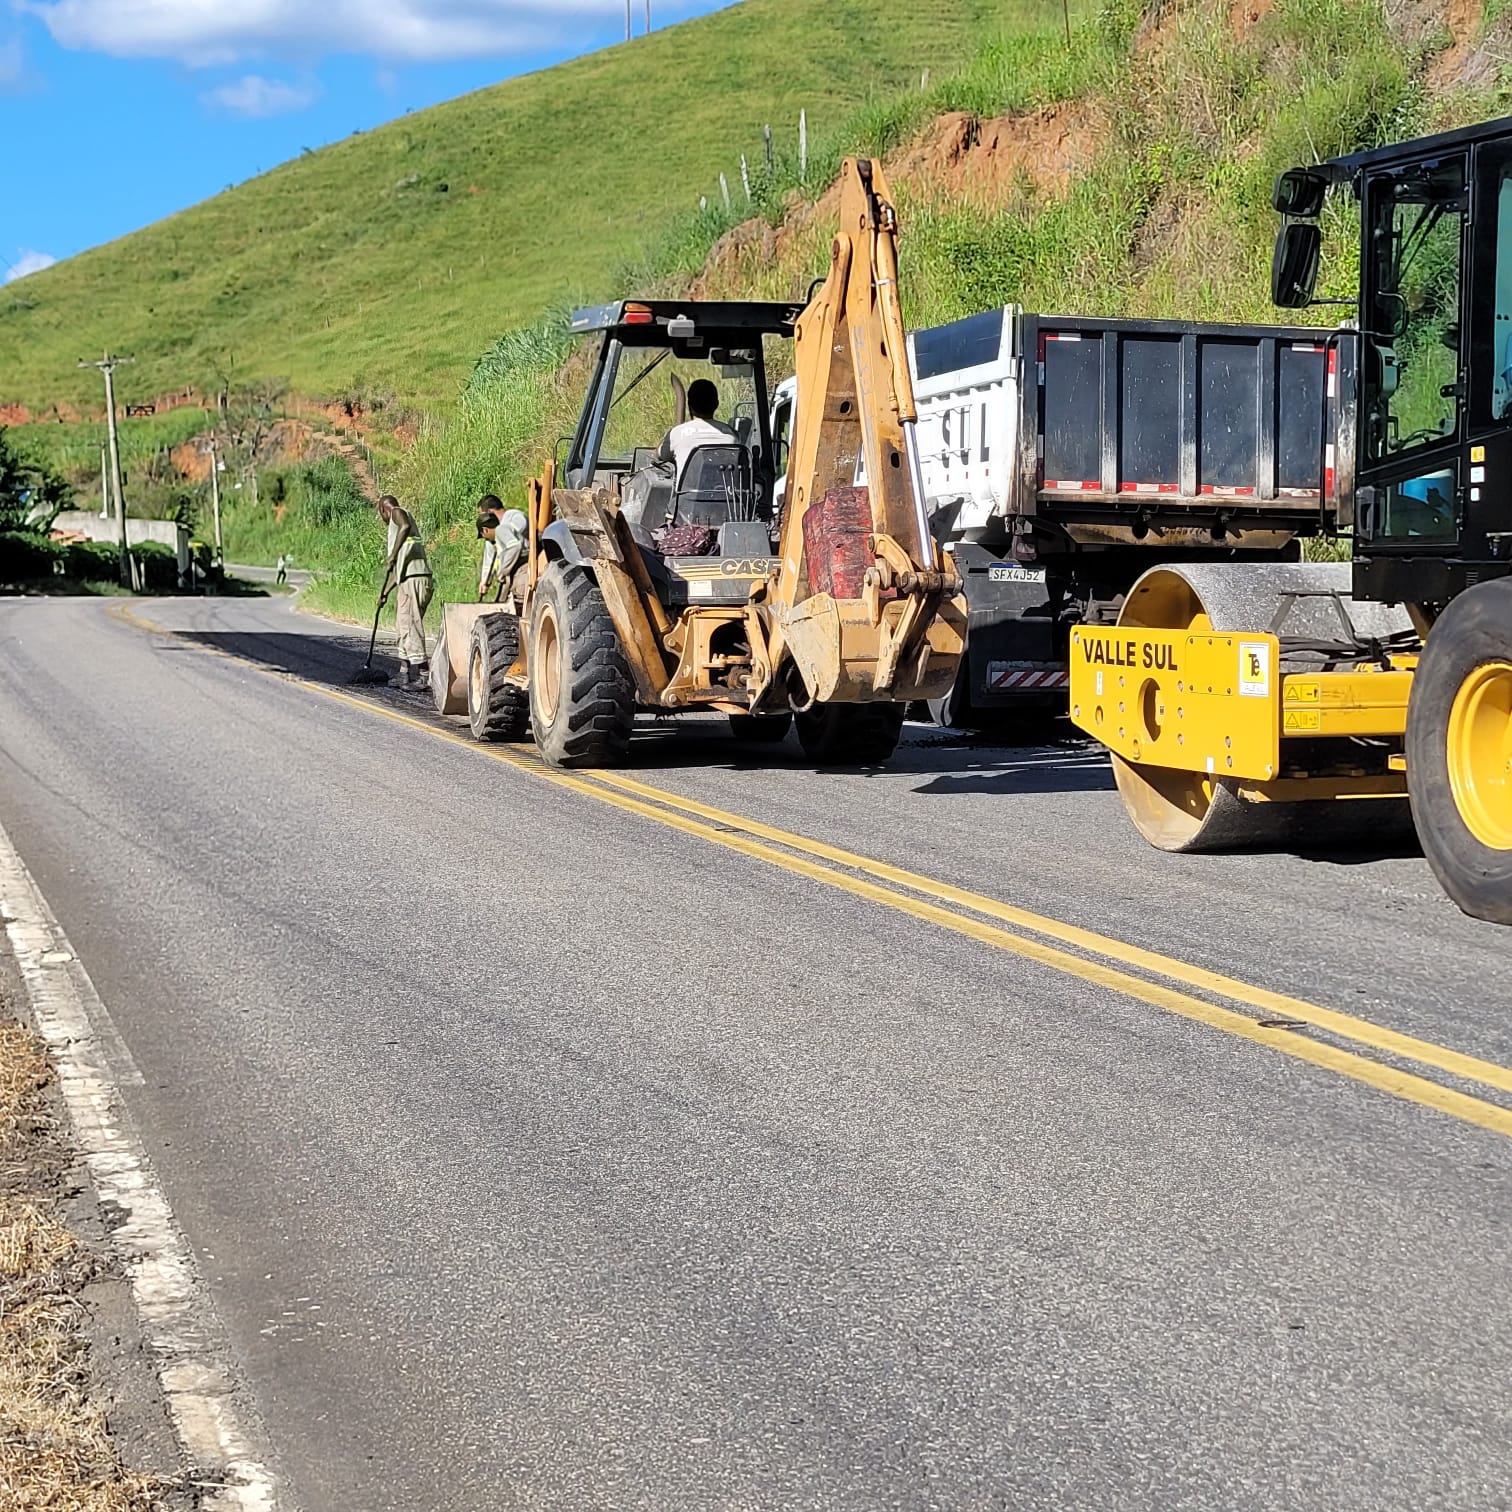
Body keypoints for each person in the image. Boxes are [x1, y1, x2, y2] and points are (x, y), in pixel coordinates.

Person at [377, 495, 433, 688]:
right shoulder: (400, 530)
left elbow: (405, 525)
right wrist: (385, 592)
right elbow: (400, 570)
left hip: (414, 580)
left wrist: (392, 554)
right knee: (403, 627)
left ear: (383, 510)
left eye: (381, 515)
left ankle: (425, 674)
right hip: (408, 580)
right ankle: (404, 673)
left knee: (410, 627)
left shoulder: (397, 513)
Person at [657, 378, 736, 483]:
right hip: (726, 498)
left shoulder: (677, 433)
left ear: (690, 405)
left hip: (687, 499)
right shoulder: (732, 435)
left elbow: (660, 454)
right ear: (716, 404)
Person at [476, 495, 529, 602]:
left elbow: (514, 545)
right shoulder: (494, 533)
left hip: (524, 566)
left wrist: (503, 570)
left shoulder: (515, 517)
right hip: (509, 572)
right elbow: (489, 557)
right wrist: (485, 581)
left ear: (490, 512)